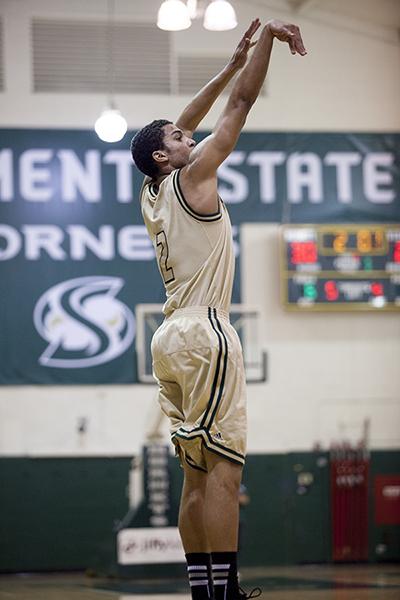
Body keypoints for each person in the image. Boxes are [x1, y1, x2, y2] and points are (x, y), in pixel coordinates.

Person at [130, 17, 306, 600]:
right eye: (179, 137)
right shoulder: (197, 176)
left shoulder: (152, 194)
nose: (190, 133)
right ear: (166, 155)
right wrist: (266, 45)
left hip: (169, 338)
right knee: (227, 472)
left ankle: (204, 590)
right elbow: (242, 103)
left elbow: (186, 119)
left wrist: (228, 61)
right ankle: (225, 592)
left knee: (196, 476)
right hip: (207, 331)